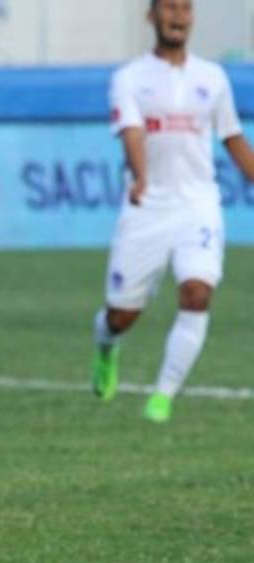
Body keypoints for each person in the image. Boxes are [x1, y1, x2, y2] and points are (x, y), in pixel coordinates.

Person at [92, 0, 254, 422]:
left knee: (197, 291)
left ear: (192, 17)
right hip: (147, 208)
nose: (178, 16)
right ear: (152, 17)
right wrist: (141, 175)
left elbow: (232, 135)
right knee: (122, 315)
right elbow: (131, 130)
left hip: (198, 204)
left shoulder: (212, 77)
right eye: (169, 8)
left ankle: (162, 395)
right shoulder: (129, 78)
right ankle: (106, 346)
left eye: (185, 8)